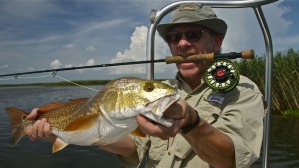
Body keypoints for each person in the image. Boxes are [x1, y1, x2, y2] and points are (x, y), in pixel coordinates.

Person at [26, 3, 266, 168]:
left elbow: (229, 161)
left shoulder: (242, 91)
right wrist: (67, 132)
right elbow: (134, 148)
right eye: (174, 37)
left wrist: (191, 122)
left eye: (193, 34)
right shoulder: (162, 91)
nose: (182, 44)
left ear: (215, 42)